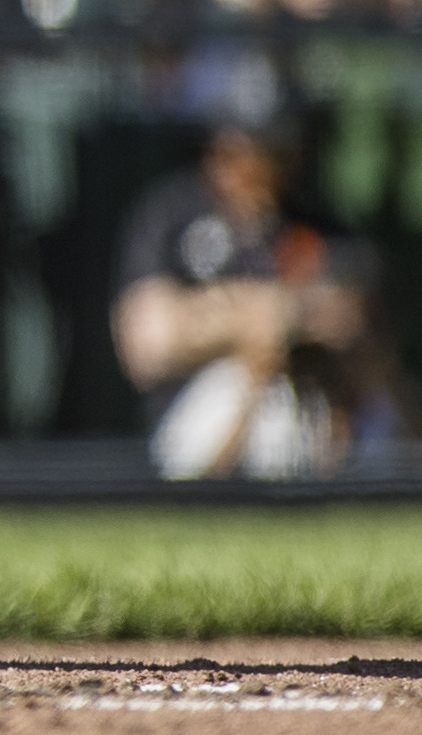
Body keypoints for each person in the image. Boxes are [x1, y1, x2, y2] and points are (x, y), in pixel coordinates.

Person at [111, 119, 384, 479]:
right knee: (243, 377)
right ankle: (201, 502)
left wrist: (285, 320)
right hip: (191, 412)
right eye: (243, 152)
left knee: (367, 400)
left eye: (273, 153)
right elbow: (145, 342)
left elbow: (353, 317)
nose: (257, 167)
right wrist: (255, 317)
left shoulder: (308, 220)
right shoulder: (173, 212)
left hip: (307, 397)